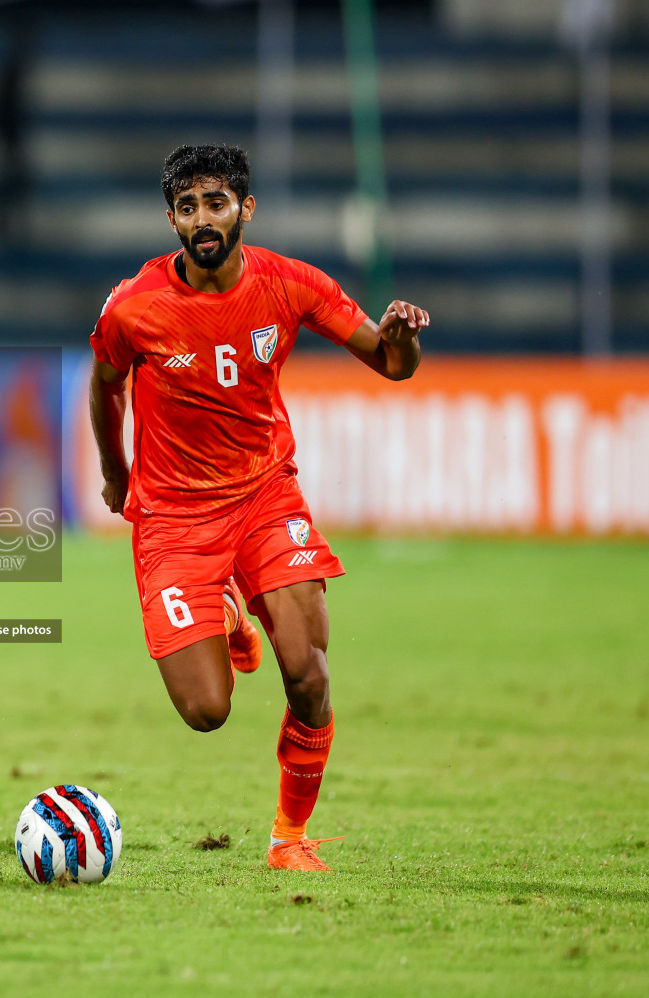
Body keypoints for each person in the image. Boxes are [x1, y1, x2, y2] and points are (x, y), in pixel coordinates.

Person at [88, 144, 427, 872]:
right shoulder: (135, 306)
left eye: (215, 203)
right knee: (207, 710)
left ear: (246, 208)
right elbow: (106, 384)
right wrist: (116, 472)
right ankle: (230, 615)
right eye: (187, 207)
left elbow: (391, 364)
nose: (202, 219)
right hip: (175, 518)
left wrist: (401, 344)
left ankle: (289, 838)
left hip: (265, 494)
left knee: (308, 673)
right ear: (172, 220)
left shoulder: (290, 283)